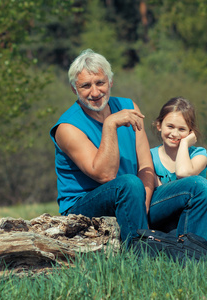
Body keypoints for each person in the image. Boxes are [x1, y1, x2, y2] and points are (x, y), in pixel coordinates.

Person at [49, 49, 155, 245]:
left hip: (133, 196)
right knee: (129, 183)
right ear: (74, 89)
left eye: (100, 83)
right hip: (83, 205)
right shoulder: (67, 127)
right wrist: (110, 124)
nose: (95, 92)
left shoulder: (129, 106)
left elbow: (146, 166)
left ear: (110, 82)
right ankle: (141, 258)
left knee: (197, 189)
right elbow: (105, 175)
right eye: (86, 86)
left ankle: (196, 256)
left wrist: (143, 206)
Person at [148, 97, 207, 241]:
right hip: (158, 214)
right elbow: (163, 198)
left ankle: (194, 255)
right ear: (159, 125)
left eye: (182, 129)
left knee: (200, 186)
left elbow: (184, 172)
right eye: (170, 126)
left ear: (191, 132)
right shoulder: (149, 156)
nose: (175, 134)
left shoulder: (199, 155)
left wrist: (184, 144)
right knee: (199, 186)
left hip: (182, 217)